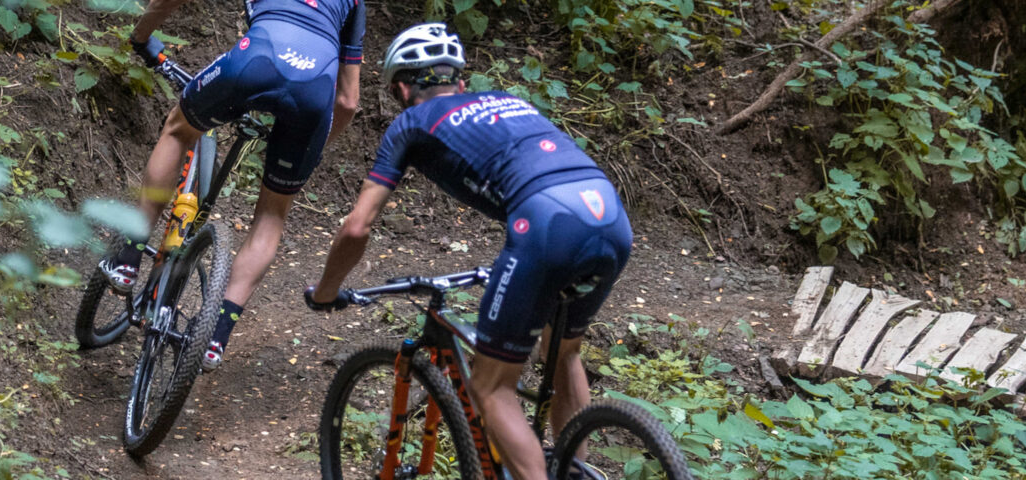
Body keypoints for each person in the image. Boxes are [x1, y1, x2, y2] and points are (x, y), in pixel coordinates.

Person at [304, 23, 631, 480]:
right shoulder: (510, 101)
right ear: (459, 82)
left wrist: (327, 290)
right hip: (610, 214)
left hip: (547, 223)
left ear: (402, 89)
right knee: (564, 352)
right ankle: (575, 469)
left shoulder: (411, 123)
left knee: (491, 388)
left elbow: (357, 226)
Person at [103, 0, 365, 370]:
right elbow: (349, 102)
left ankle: (128, 257)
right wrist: (313, 151)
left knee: (179, 129)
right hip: (315, 89)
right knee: (272, 215)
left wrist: (141, 37)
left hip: (256, 59)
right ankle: (215, 337)